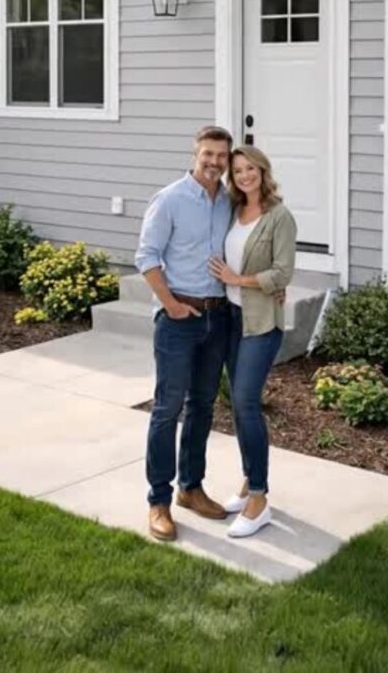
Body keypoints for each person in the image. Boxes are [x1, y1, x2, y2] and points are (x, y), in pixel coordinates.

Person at [135, 126, 233, 542]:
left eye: (222, 156)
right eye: (208, 154)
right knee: (167, 409)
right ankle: (158, 501)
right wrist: (171, 305)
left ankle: (191, 489)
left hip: (217, 317)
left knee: (203, 407)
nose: (214, 162)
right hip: (178, 319)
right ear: (195, 154)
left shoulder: (228, 202)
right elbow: (146, 256)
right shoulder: (171, 198)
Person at [209, 145, 296, 539]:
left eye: (250, 168)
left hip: (261, 323)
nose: (244, 175)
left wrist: (239, 280)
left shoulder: (279, 217)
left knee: (245, 401)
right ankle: (248, 481)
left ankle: (259, 499)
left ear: (263, 170)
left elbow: (282, 273)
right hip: (229, 319)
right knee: (238, 405)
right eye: (237, 170)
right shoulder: (230, 210)